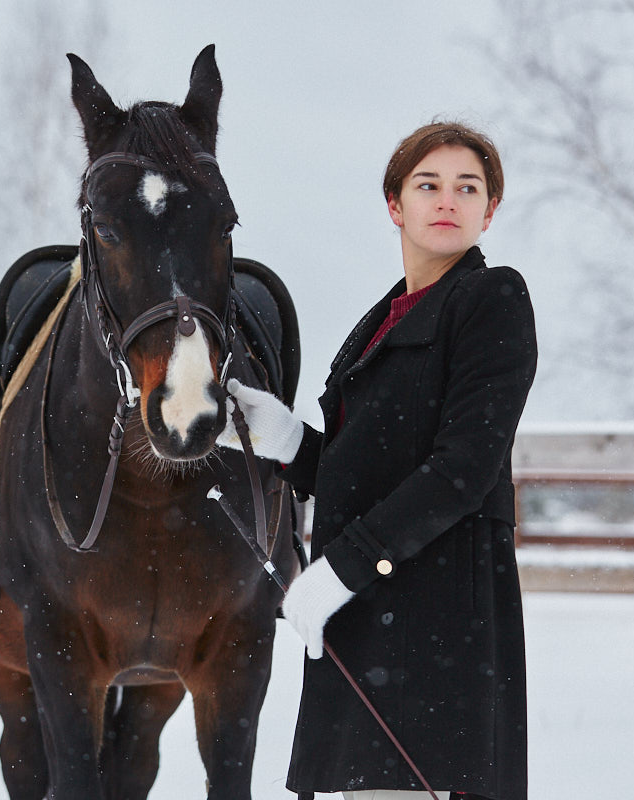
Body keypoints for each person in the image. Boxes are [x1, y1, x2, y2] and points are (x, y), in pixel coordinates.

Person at [220, 121, 536, 800]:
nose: (448, 199)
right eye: (429, 185)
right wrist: (287, 442)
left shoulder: (492, 300)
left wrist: (342, 568)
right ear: (396, 205)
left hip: (440, 631)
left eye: (467, 187)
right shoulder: (378, 324)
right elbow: (362, 474)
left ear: (490, 210)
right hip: (369, 628)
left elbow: (463, 471)